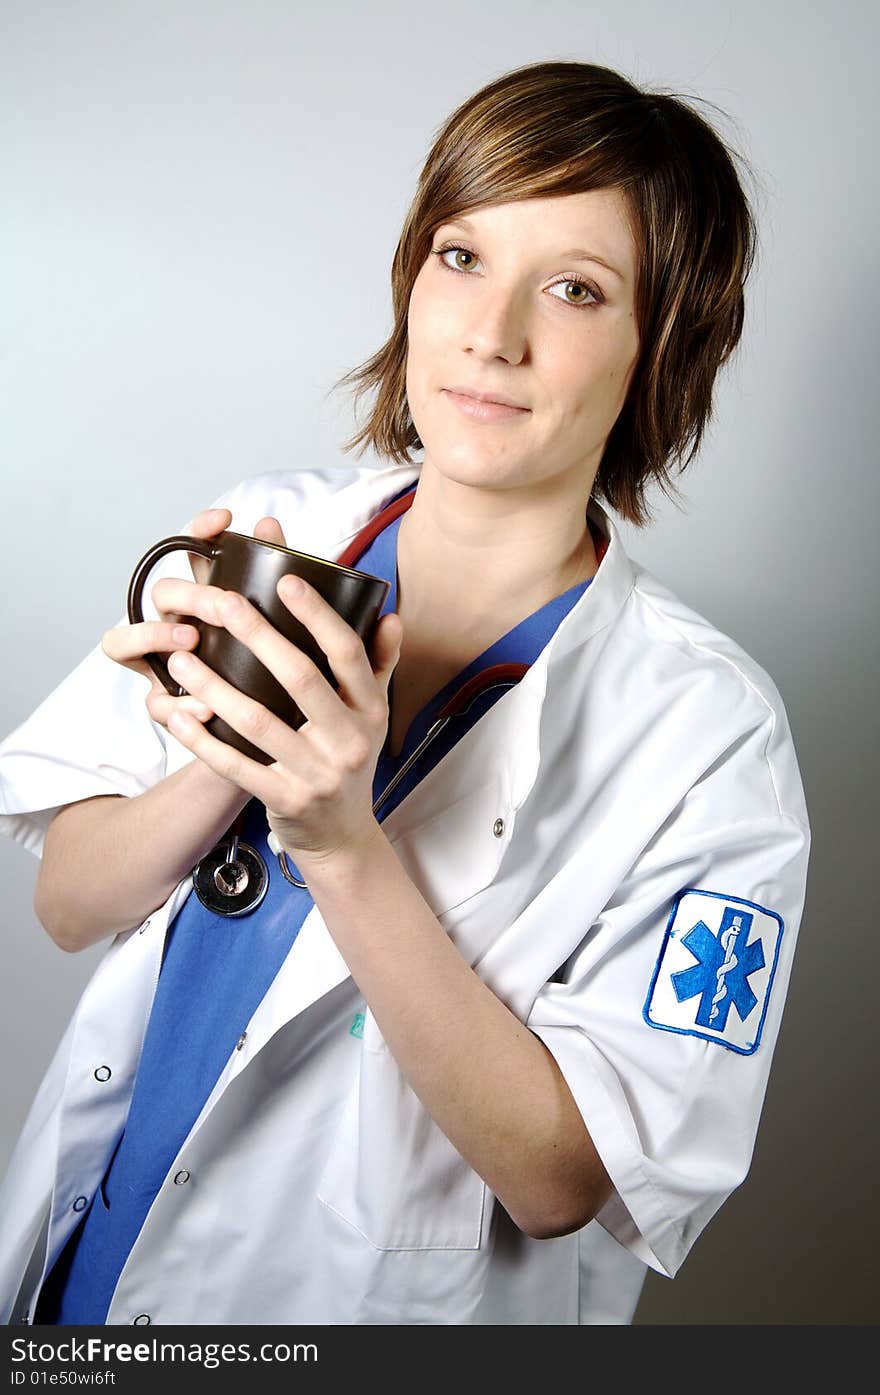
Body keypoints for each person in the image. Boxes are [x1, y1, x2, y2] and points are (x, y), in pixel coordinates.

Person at [0, 59, 811, 1326]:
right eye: (460, 257)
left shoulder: (706, 733)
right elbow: (65, 902)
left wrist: (337, 838)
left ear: (667, 344)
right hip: (76, 1297)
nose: (492, 335)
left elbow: (560, 1178)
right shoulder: (270, 534)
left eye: (576, 289)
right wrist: (238, 745)